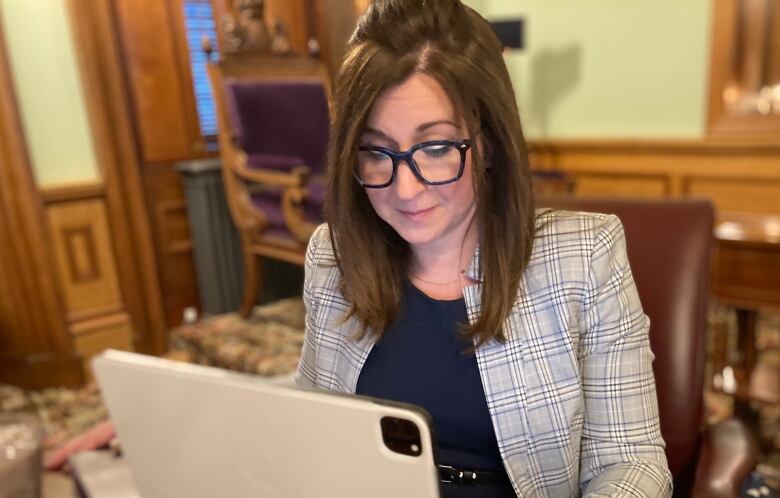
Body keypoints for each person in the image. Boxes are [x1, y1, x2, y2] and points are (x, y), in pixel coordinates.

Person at [294, 0, 673, 497]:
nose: (406, 190)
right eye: (375, 151)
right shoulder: (332, 256)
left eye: (435, 148)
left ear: (488, 142)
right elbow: (311, 435)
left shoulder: (585, 256)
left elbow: (633, 464)